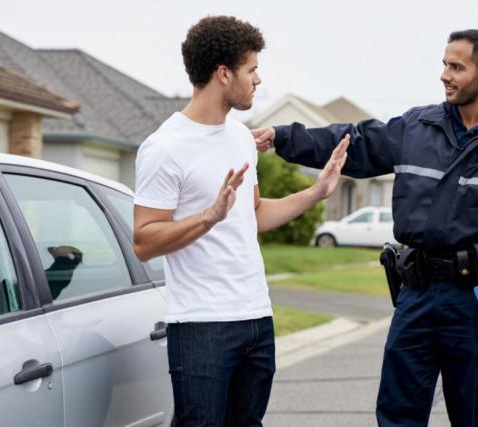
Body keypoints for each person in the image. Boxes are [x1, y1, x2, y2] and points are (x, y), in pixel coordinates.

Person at [252, 29, 478, 427]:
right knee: (397, 414)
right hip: (416, 297)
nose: (445, 75)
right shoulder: (416, 128)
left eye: (457, 67)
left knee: (468, 416)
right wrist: (282, 137)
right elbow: (352, 142)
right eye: (444, 64)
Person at [132, 16, 349, 426]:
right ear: (223, 73)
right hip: (200, 325)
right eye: (251, 70)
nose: (258, 79)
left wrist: (316, 192)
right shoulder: (164, 148)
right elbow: (144, 239)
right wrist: (208, 217)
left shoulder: (239, 138)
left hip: (255, 316)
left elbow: (254, 215)